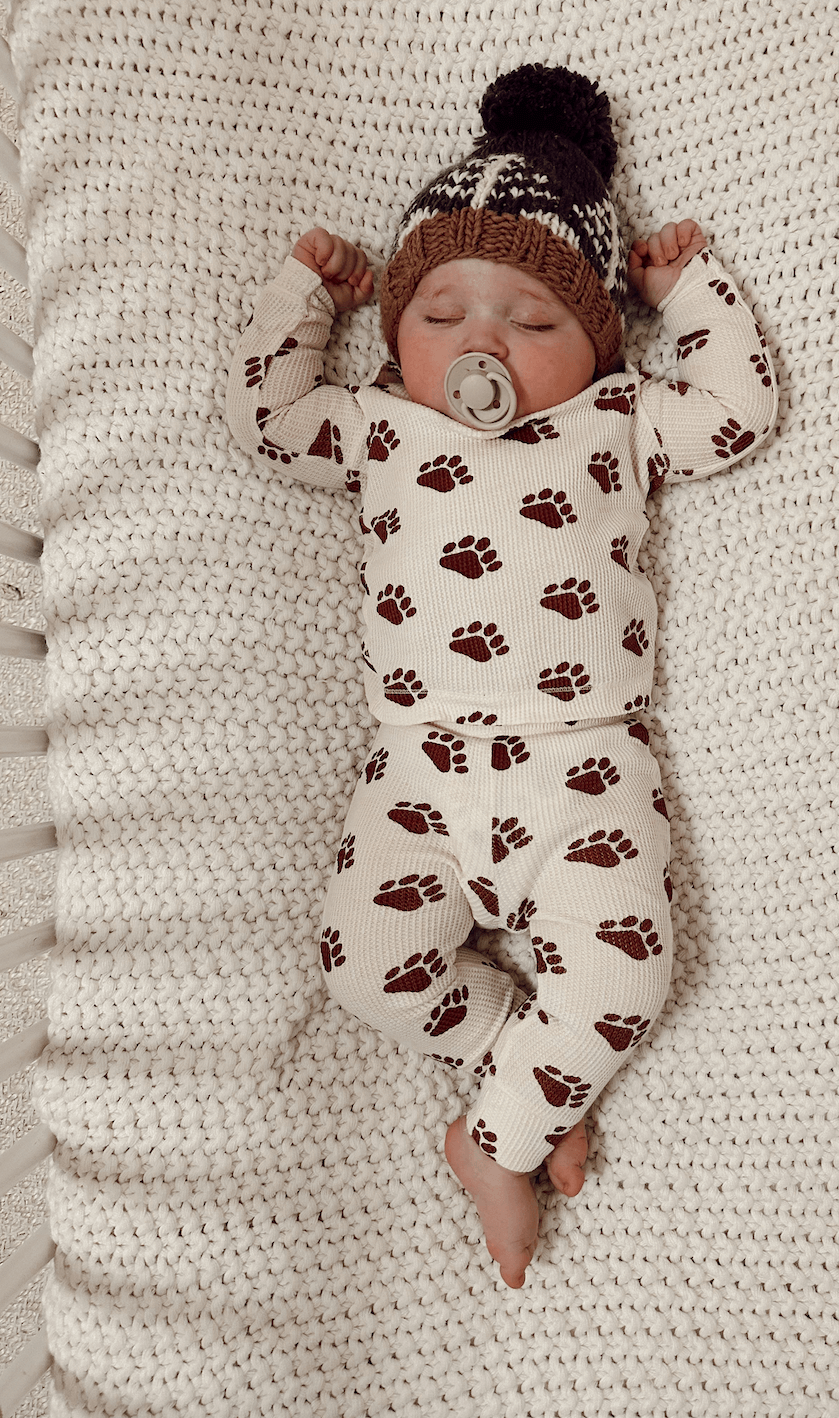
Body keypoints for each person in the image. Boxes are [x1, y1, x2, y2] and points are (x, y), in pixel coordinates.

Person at [227, 63, 777, 1288]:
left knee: (632, 967)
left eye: (533, 322)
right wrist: (302, 298)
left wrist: (688, 291)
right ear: (397, 338)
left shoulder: (618, 417)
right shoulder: (377, 425)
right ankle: (524, 1078)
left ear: (593, 342)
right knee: (363, 963)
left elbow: (738, 412)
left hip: (584, 762)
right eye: (440, 314)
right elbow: (267, 418)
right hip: (416, 769)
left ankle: (496, 1141)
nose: (482, 342)